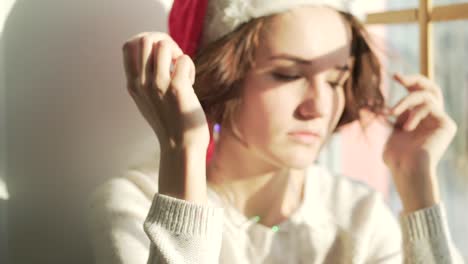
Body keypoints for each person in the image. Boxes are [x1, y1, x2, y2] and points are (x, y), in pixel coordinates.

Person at [87, 0, 464, 263]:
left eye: (336, 80)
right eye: (288, 75)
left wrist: (416, 183)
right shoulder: (134, 205)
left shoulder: (358, 216)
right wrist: (182, 147)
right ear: (223, 75)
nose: (318, 107)